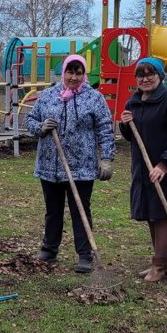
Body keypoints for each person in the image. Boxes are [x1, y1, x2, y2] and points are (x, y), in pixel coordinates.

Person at [26, 54, 115, 273]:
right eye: (70, 72)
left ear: (84, 75)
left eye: (78, 73)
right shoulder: (48, 96)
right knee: (53, 210)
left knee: (80, 209)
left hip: (81, 166)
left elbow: (105, 128)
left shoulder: (94, 98)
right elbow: (30, 121)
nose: (74, 77)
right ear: (63, 72)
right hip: (50, 165)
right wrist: (41, 127)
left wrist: (106, 158)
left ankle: (84, 255)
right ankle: (49, 249)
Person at [119, 58, 167, 281]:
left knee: (162, 215)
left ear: (160, 76)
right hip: (143, 167)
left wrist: (164, 164)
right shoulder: (134, 102)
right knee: (151, 213)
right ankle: (160, 262)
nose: (145, 78)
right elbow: (131, 137)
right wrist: (124, 124)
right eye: (141, 75)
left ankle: (159, 266)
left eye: (150, 74)